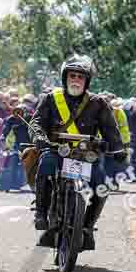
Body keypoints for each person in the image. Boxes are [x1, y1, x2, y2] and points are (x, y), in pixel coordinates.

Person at [29, 54, 125, 250]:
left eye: (80, 77)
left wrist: (118, 149)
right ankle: (41, 212)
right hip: (56, 151)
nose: (76, 80)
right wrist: (39, 137)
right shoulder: (50, 98)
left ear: (87, 80)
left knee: (103, 186)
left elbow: (110, 129)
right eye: (72, 75)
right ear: (65, 78)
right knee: (46, 164)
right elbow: (36, 122)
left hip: (85, 155)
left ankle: (87, 226)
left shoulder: (98, 103)